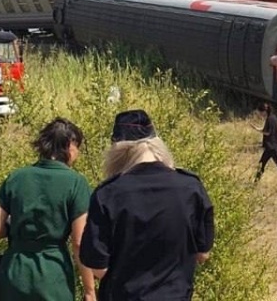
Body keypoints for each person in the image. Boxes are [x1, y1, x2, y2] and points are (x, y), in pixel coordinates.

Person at [81, 110, 215, 301]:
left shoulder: (107, 194)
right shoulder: (191, 188)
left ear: (118, 150)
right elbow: (203, 254)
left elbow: (98, 267)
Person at [0, 118, 95, 301]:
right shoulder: (76, 183)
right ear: (70, 145)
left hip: (15, 272)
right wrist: (90, 290)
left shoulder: (17, 177)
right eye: (78, 147)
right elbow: (78, 242)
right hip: (53, 274)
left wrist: (14, 228)